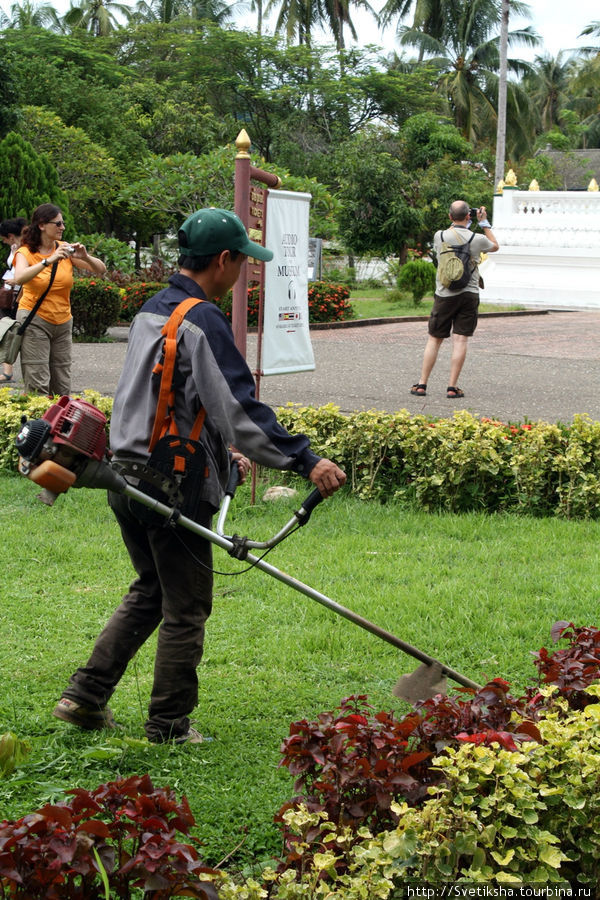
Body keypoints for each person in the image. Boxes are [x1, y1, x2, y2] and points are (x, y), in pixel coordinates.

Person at [52, 207, 347, 745]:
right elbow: (239, 406)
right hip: (171, 483)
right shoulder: (202, 318)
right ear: (223, 259)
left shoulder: (152, 311)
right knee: (186, 605)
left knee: (151, 589)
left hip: (125, 473)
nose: (245, 273)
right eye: (243, 263)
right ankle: (168, 725)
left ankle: (85, 697)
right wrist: (306, 459)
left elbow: (167, 399)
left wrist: (219, 450)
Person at [12, 203, 106, 396]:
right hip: (34, 319)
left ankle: (59, 424)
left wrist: (86, 257)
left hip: (63, 321)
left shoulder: (64, 249)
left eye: (62, 223)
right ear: (41, 225)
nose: (63, 227)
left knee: (62, 382)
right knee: (38, 380)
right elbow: (20, 277)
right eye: (58, 224)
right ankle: (39, 424)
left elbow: (100, 269)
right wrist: (48, 260)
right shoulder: (26, 252)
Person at [410, 200, 499, 399]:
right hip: (469, 294)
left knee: (434, 339)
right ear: (469, 216)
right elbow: (495, 246)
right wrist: (484, 223)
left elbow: (448, 240)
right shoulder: (477, 239)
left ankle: (422, 384)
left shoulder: (439, 235)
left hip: (444, 294)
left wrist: (460, 221)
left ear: (450, 217)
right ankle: (452, 387)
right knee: (460, 340)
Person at [0, 216, 28, 383]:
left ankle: (8, 370)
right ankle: (7, 369)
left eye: (4, 238)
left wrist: (15, 281)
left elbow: (27, 272)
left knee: (11, 330)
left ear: (10, 235)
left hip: (19, 295)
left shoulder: (26, 249)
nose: (3, 242)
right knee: (7, 329)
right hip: (10, 294)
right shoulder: (15, 247)